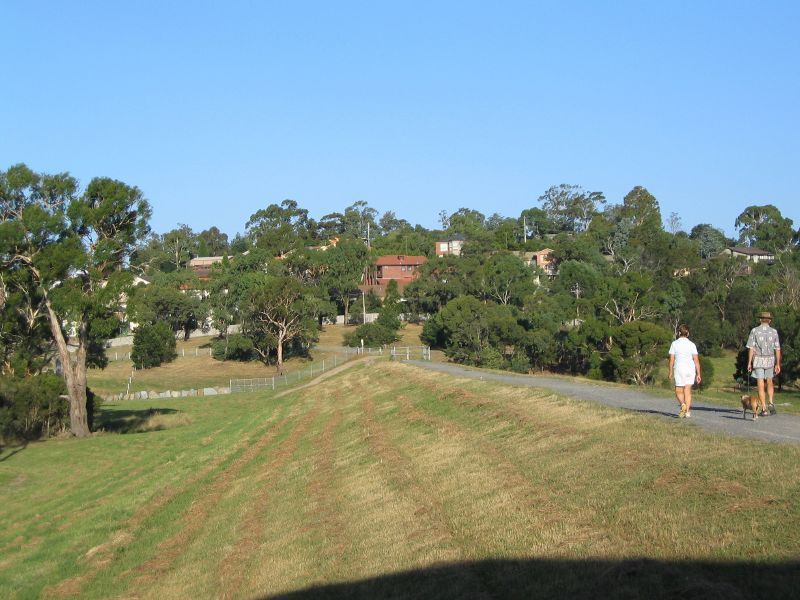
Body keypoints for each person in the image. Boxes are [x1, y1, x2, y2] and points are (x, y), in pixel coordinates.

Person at [746, 311, 781, 416]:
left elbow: (751, 348)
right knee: (770, 381)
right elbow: (777, 349)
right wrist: (778, 364)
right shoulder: (774, 332)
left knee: (760, 384)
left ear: (760, 320)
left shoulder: (754, 331)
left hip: (758, 359)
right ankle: (771, 402)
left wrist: (749, 363)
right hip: (770, 359)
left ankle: (764, 408)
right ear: (769, 320)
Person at [668, 324, 702, 418]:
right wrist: (698, 374)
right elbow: (696, 360)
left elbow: (671, 360)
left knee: (678, 390)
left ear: (679, 333)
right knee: (688, 390)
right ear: (688, 333)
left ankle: (683, 404)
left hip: (679, 368)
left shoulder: (674, 344)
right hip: (690, 369)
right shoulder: (692, 344)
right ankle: (687, 412)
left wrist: (670, 372)